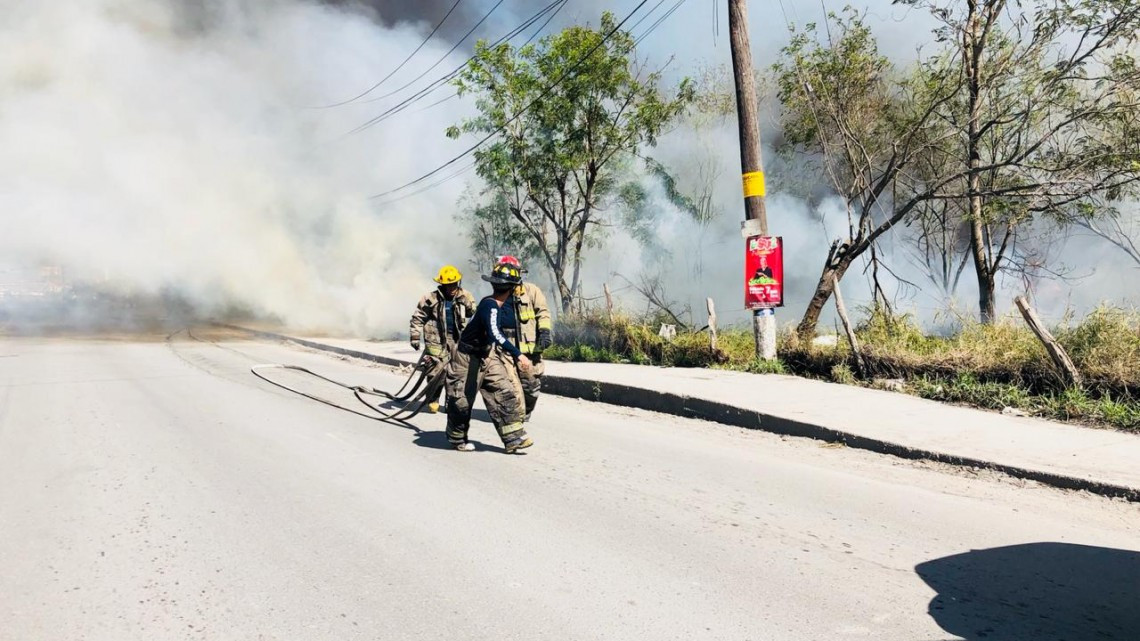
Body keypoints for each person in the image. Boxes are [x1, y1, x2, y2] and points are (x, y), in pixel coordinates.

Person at [443, 261, 533, 453]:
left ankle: (513, 438)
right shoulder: (490, 306)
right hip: (466, 358)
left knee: (503, 392)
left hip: (486, 356)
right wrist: (518, 355)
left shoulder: (499, 305)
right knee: (461, 402)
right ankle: (457, 437)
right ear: (512, 288)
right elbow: (495, 333)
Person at [409, 265, 476, 413]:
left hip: (458, 341)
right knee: (435, 371)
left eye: (454, 284)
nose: (451, 288)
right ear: (442, 284)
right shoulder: (431, 298)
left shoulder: (466, 296)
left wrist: (467, 305)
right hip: (436, 340)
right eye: (448, 285)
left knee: (455, 373)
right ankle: (433, 398)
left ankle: (450, 401)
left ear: (458, 283)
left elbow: (474, 315)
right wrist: (415, 336)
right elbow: (418, 317)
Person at [494, 255, 552, 421]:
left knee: (530, 386)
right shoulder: (498, 294)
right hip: (504, 348)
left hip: (528, 349)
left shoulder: (532, 291)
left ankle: (525, 410)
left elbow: (543, 313)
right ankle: (513, 414)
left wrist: (545, 332)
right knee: (508, 385)